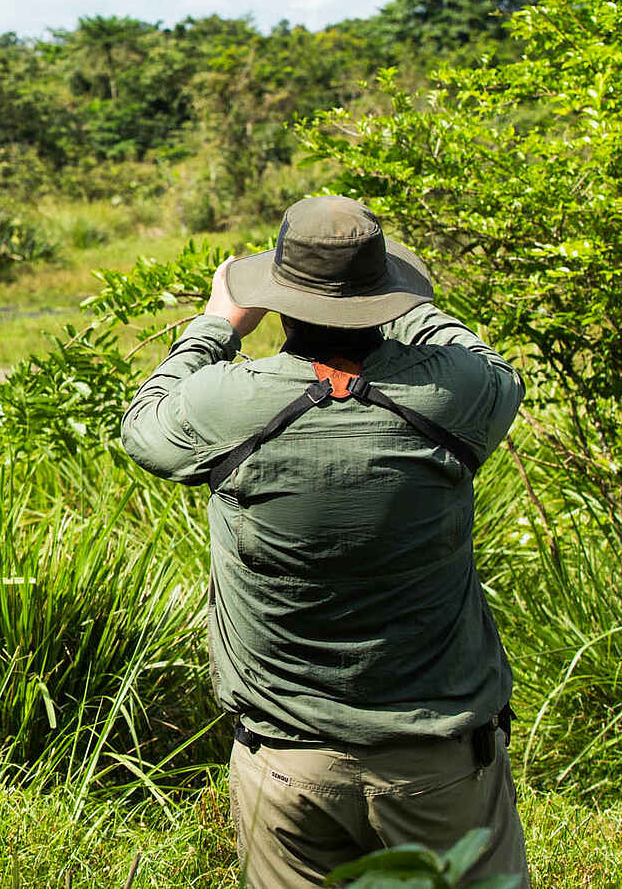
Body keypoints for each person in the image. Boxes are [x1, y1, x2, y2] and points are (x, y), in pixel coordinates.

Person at [119, 195, 528, 887]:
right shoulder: (453, 396)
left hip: (284, 764)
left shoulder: (226, 403)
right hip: (442, 763)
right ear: (382, 295)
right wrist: (408, 303)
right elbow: (490, 367)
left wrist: (215, 325)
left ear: (279, 301)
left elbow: (143, 422)